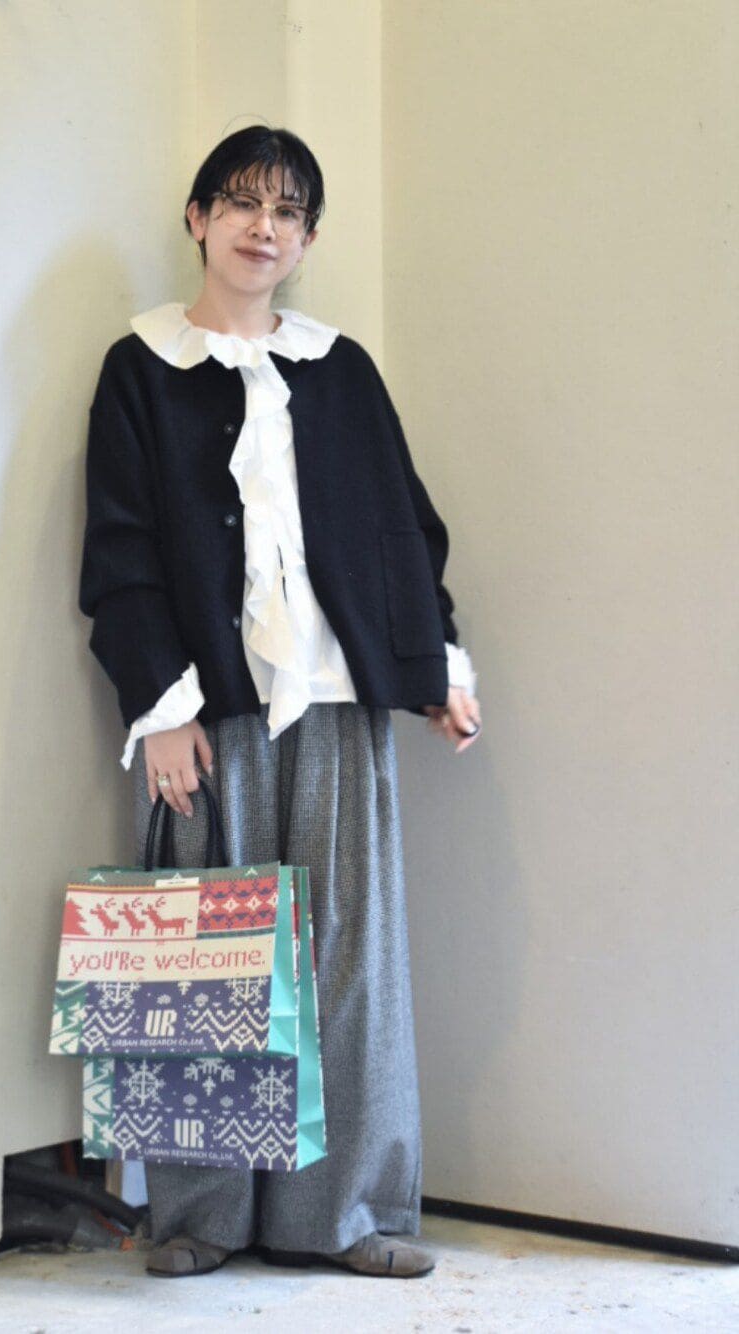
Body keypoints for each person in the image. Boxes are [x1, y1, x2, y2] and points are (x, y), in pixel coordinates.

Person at [78, 125, 482, 1280]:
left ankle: (342, 1212)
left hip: (337, 698)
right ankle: (200, 1215)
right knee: (209, 959)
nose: (265, 227)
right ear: (198, 218)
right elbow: (121, 545)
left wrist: (438, 666)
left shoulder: (340, 368)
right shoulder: (140, 366)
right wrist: (160, 706)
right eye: (243, 203)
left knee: (350, 958)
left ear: (307, 238)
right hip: (211, 703)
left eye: (288, 211)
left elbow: (402, 527)